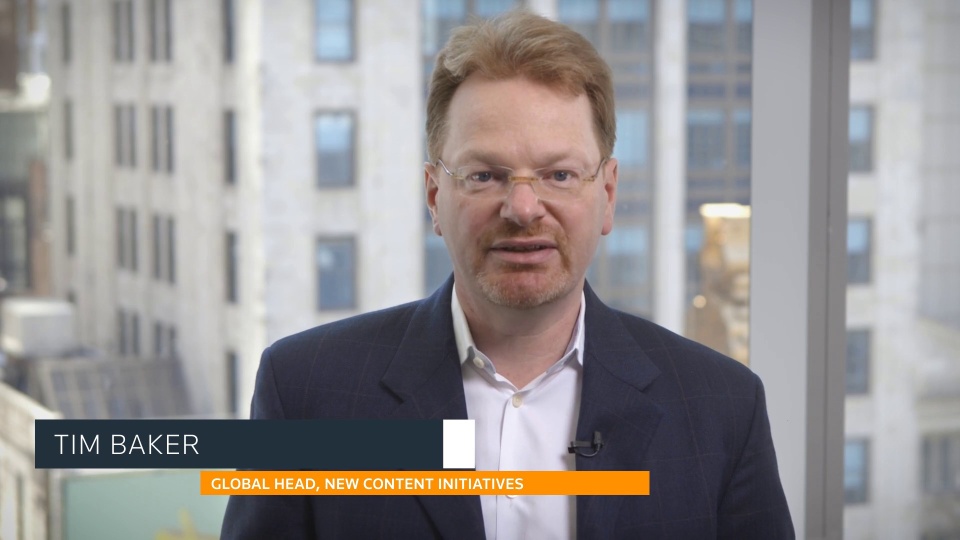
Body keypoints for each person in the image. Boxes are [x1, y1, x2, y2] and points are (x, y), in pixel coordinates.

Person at [221, 10, 793, 539]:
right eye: (485, 175)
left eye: (559, 175)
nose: (522, 208)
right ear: (434, 196)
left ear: (608, 193)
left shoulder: (722, 406)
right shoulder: (305, 392)